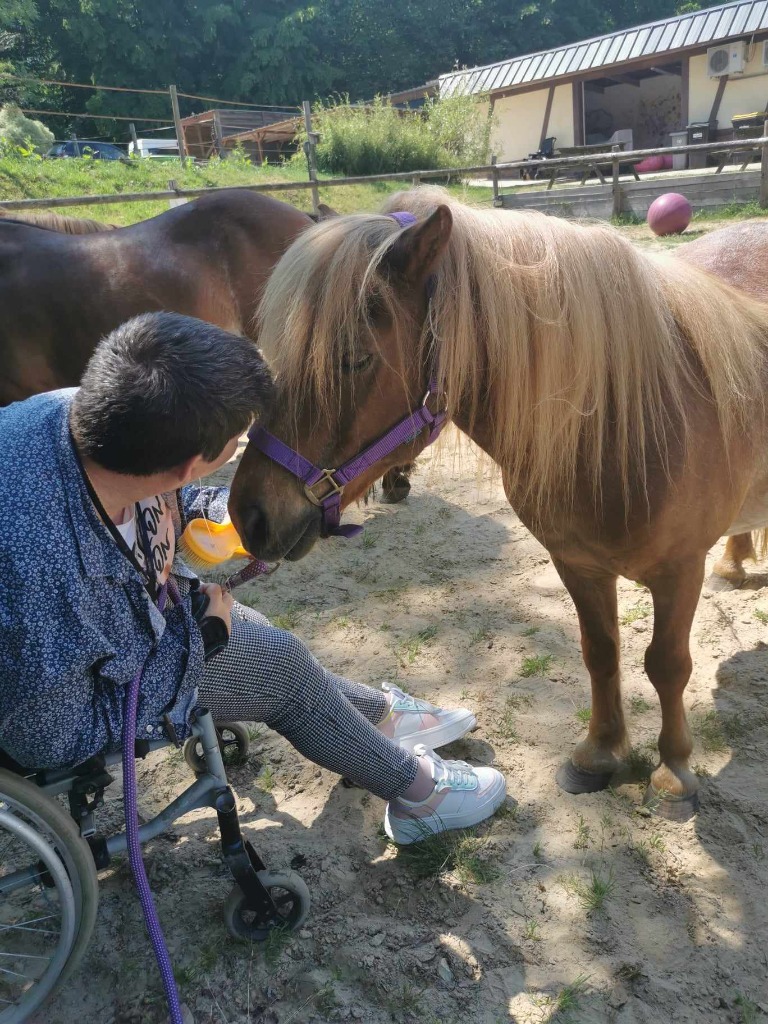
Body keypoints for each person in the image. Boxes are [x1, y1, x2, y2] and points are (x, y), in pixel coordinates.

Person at [0, 312, 506, 845]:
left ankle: (373, 715)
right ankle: (419, 796)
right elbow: (55, 737)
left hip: (113, 624)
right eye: (239, 443)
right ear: (193, 461)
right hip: (68, 698)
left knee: (261, 636)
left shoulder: (85, 412)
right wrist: (206, 637)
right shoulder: (38, 574)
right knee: (278, 665)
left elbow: (164, 489)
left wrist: (214, 511)